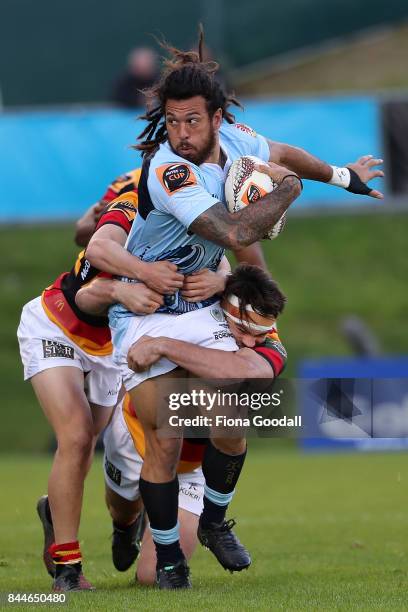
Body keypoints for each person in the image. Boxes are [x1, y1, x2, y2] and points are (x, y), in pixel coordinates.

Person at [85, 31, 383, 589]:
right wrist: (288, 190)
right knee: (169, 433)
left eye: (192, 121)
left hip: (201, 303)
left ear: (218, 117)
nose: (181, 133)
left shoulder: (240, 141)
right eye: (172, 122)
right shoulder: (170, 171)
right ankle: (169, 557)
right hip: (145, 312)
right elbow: (236, 229)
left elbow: (284, 154)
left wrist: (343, 177)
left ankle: (217, 519)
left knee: (235, 412)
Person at [17, 174, 181, 592]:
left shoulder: (192, 220)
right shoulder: (130, 205)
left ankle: (121, 522)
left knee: (108, 448)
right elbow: (84, 293)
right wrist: (116, 291)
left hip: (113, 351)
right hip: (56, 326)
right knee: (75, 438)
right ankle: (68, 569)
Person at [100, 265, 287, 585]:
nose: (253, 342)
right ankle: (126, 527)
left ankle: (211, 524)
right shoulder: (192, 316)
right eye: (244, 332)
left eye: (260, 335)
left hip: (196, 463)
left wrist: (164, 346)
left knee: (148, 578)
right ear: (226, 308)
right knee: (122, 509)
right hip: (137, 438)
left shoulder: (262, 332)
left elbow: (238, 371)